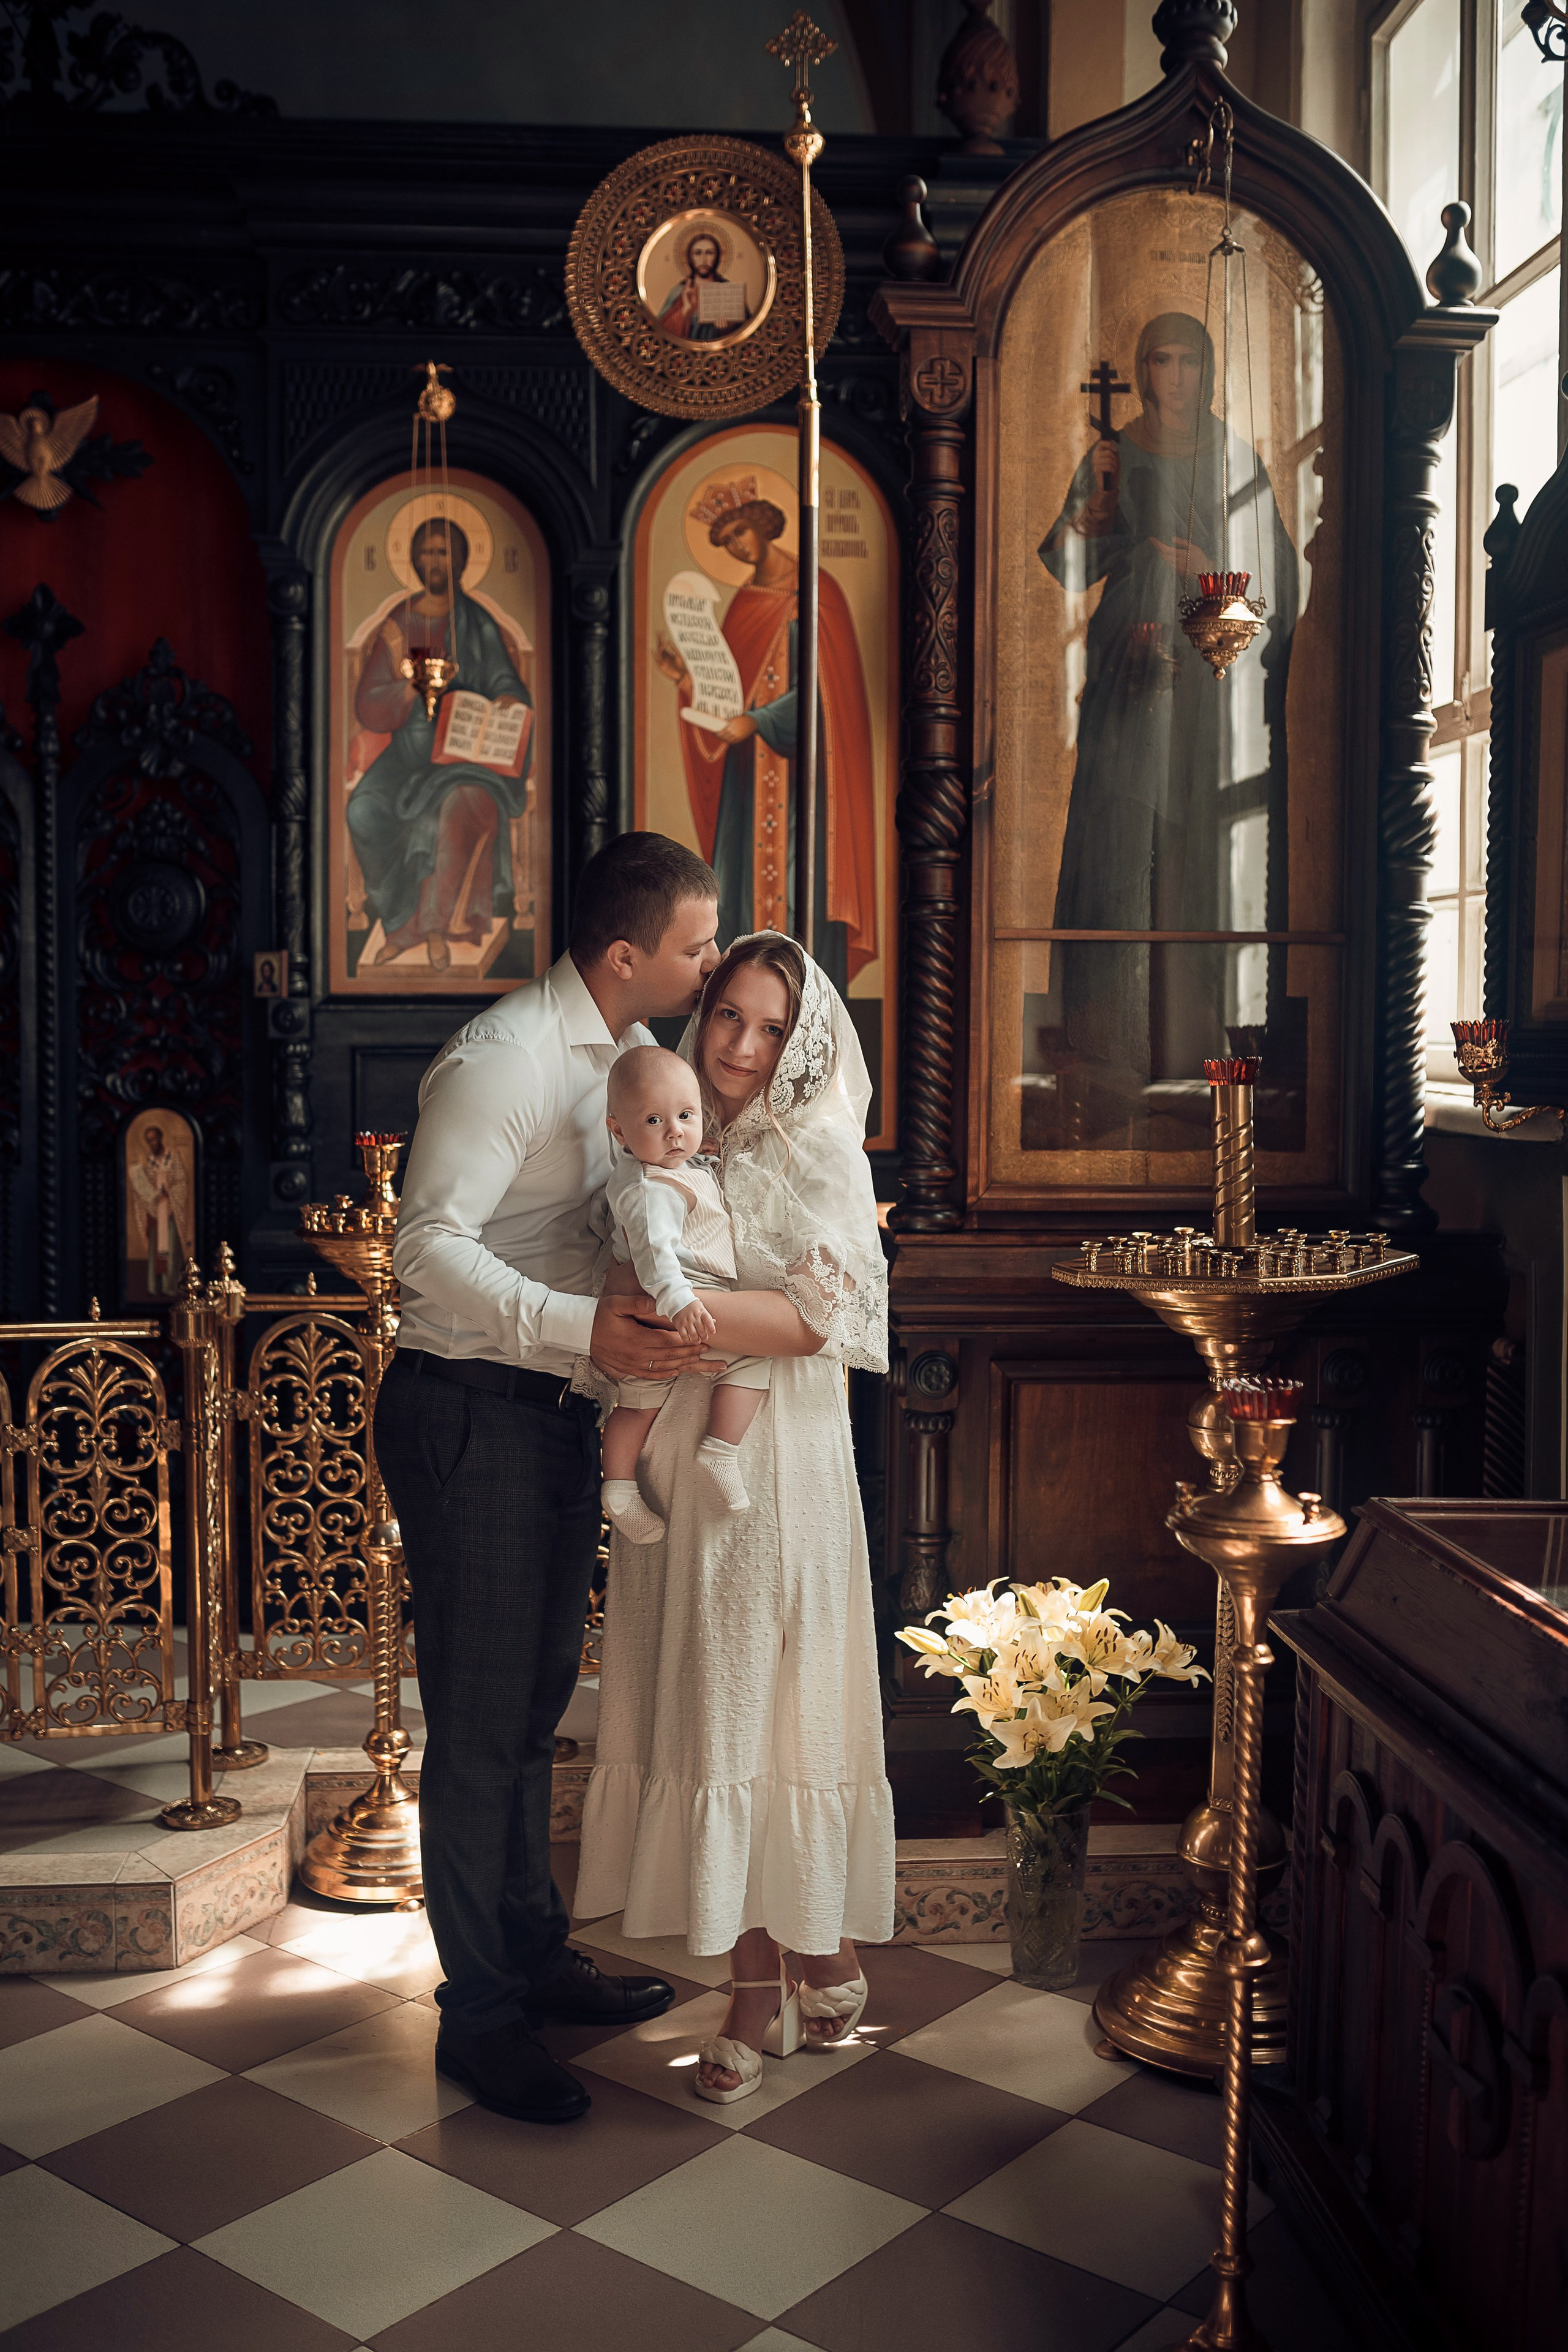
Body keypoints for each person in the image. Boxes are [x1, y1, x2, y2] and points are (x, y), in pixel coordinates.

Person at [378, 832, 725, 2127]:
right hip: (469, 1411)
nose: (707, 962)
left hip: (549, 1413)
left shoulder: (624, 1070)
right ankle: (480, 2018)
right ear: (627, 955)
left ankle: (529, 1956)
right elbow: (427, 1252)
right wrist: (585, 1332)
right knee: (476, 1732)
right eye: (695, 944)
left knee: (529, 1712)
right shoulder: (506, 1059)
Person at [576, 930, 894, 2106]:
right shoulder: (653, 1118)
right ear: (700, 1008)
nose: (744, 1049)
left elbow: (821, 1324)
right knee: (711, 1707)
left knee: (778, 1700)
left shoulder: (819, 1149)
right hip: (673, 1443)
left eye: (771, 1028)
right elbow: (615, 1271)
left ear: (802, 1040)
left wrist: (694, 1317)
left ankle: (817, 1945)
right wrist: (643, 1311)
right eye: (728, 1017)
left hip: (782, 1454)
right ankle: (756, 1987)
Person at [1038, 311, 1298, 1099]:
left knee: (1195, 826)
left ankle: (1194, 1037)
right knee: (1118, 822)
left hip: (1206, 674)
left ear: (1208, 370)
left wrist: (1210, 563)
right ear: (1144, 371)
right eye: (1160, 360)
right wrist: (1100, 521)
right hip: (1127, 657)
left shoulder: (1232, 456)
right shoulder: (1114, 454)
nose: (1174, 376)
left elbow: (1278, 579)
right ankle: (1103, 1034)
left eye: (1189, 361)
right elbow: (1065, 562)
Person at [655, 494, 878, 1005]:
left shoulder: (818, 593)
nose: (735, 546)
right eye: (726, 541)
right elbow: (729, 688)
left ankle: (804, 1005)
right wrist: (687, 680)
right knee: (742, 890)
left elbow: (824, 693)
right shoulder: (747, 600)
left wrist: (757, 720)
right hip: (748, 782)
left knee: (802, 889)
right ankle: (742, 1003)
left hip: (808, 782)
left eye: (739, 533)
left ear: (762, 526)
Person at [598, 1044, 772, 1542]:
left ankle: (620, 1485)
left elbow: (615, 1225)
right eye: (654, 1120)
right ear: (619, 1130)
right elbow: (654, 1253)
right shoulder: (654, 1190)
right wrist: (681, 1302)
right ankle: (721, 1448)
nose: (675, 1131)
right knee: (753, 1358)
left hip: (670, 1300)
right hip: (688, 1295)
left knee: (638, 1399)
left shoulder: (647, 1173)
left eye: (686, 1115)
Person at [347, 517, 533, 974]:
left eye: (443, 552)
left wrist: (507, 697)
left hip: (465, 757)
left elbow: (506, 681)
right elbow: (369, 704)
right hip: (407, 756)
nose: (435, 562)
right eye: (427, 552)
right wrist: (408, 687)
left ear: (461, 560)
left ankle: (426, 928)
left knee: (448, 810)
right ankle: (395, 918)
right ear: (413, 559)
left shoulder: (477, 622)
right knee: (362, 810)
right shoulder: (399, 625)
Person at [128, 1122, 190, 1298]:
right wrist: (147, 1192)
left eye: (154, 1139)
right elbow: (143, 1186)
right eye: (149, 1141)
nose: (152, 1143)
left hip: (170, 1211)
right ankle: (155, 1287)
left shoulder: (173, 1157)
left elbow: (182, 1182)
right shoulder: (150, 1161)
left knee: (171, 1247)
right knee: (156, 1249)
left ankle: (171, 1286)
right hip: (155, 1212)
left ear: (161, 1138)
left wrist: (169, 1194)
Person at [656, 229, 747, 342]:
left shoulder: (730, 291)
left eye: (709, 253)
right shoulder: (679, 291)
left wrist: (728, 329)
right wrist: (684, 311)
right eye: (698, 253)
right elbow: (659, 331)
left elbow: (747, 330)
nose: (704, 259)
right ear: (690, 257)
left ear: (717, 256)